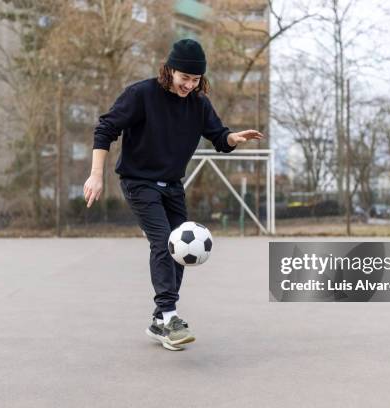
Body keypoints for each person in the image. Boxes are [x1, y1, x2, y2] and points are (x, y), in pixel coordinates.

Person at [83, 39, 263, 350]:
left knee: (179, 248)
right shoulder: (141, 94)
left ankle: (159, 320)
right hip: (138, 182)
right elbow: (105, 129)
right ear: (169, 70)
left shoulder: (199, 103)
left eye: (195, 80)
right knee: (163, 241)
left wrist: (233, 137)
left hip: (172, 185)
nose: (189, 85)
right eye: (184, 78)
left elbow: (219, 136)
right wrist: (96, 175)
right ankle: (170, 316)